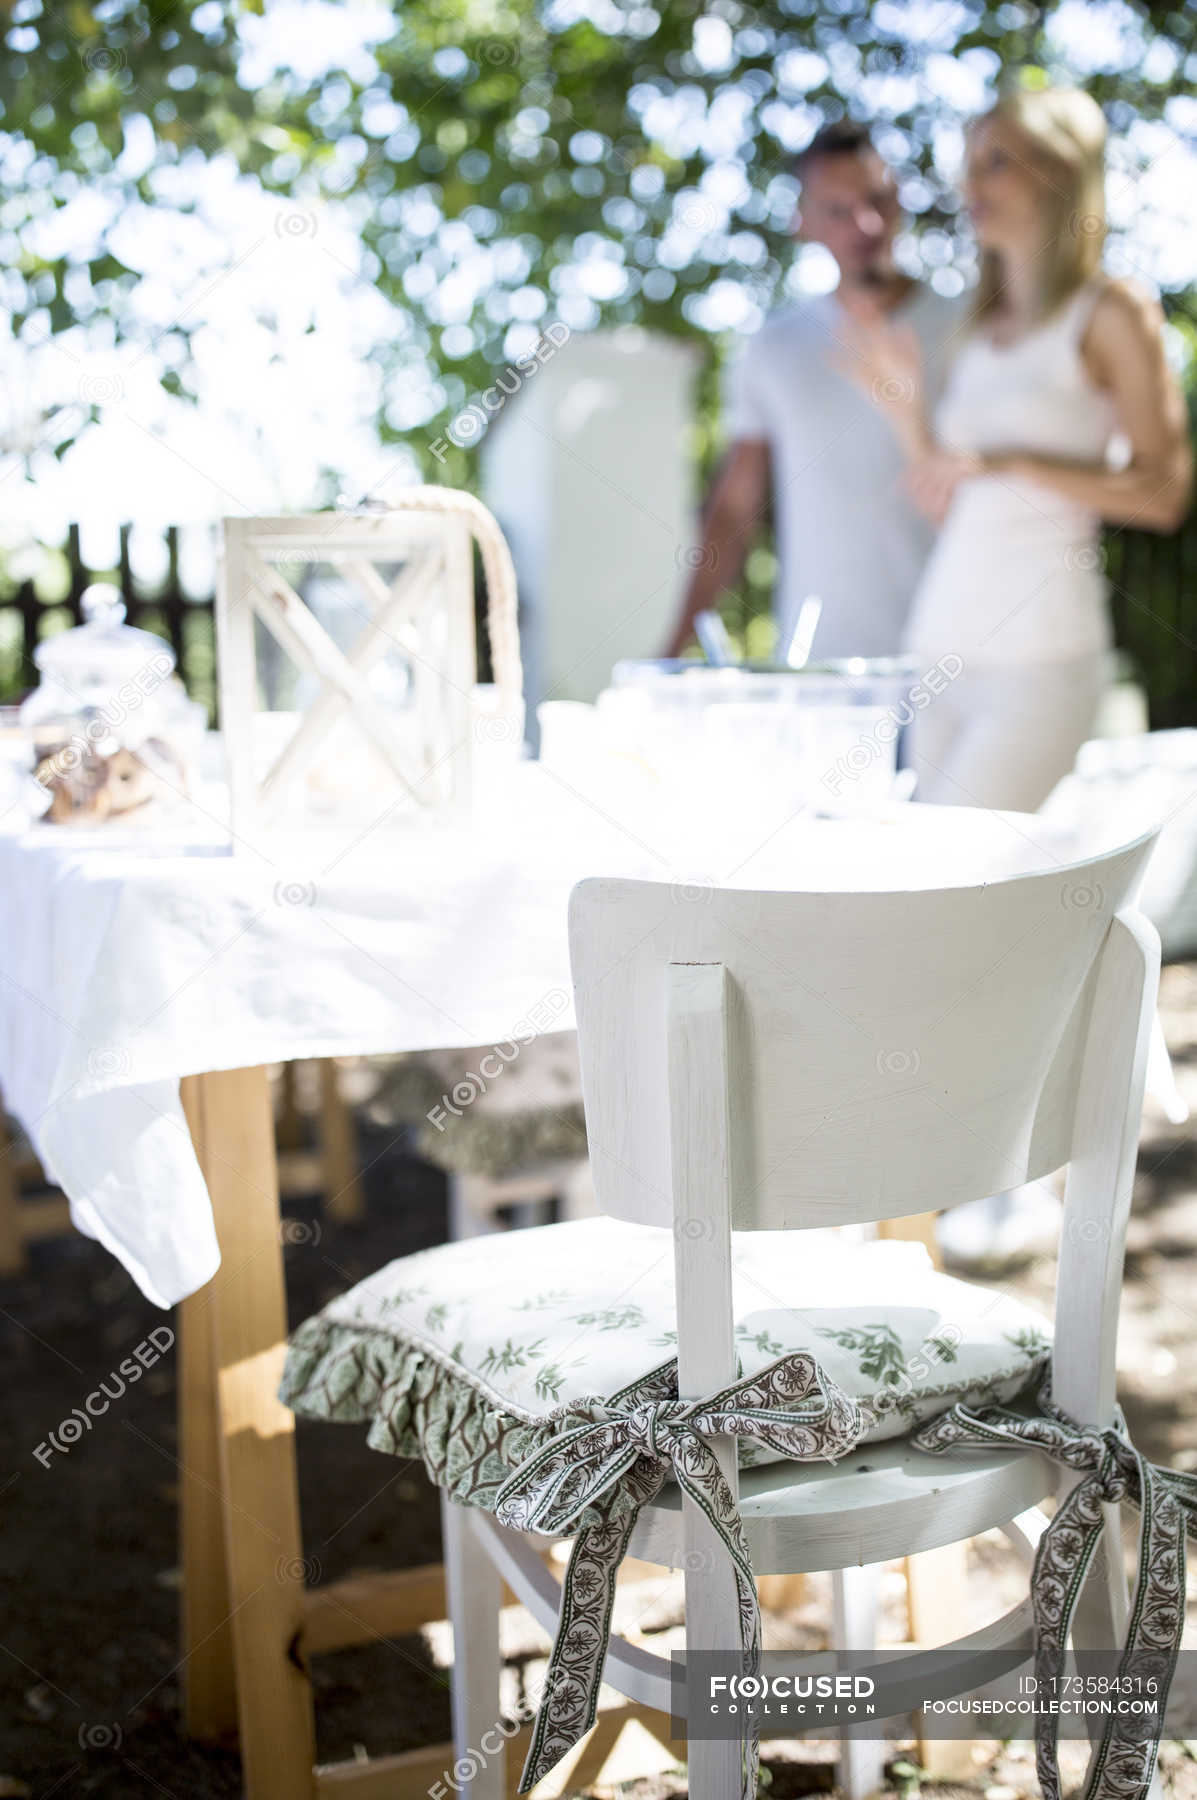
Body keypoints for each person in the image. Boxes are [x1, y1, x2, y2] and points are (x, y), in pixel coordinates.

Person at [845, 84, 1193, 812]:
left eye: (995, 162)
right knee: (925, 883)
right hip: (938, 646)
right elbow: (953, 497)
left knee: (957, 877)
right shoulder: (979, 330)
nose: (969, 185)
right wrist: (907, 418)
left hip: (1038, 658)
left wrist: (1011, 463)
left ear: (1059, 173)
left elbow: (1164, 495)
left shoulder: (1109, 311)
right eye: (969, 164)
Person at [664, 121, 963, 663]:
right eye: (837, 209)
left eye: (876, 200)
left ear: (898, 200)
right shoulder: (774, 348)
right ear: (803, 223)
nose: (865, 223)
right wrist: (670, 650)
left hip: (960, 656)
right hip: (825, 670)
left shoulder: (969, 329)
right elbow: (734, 511)